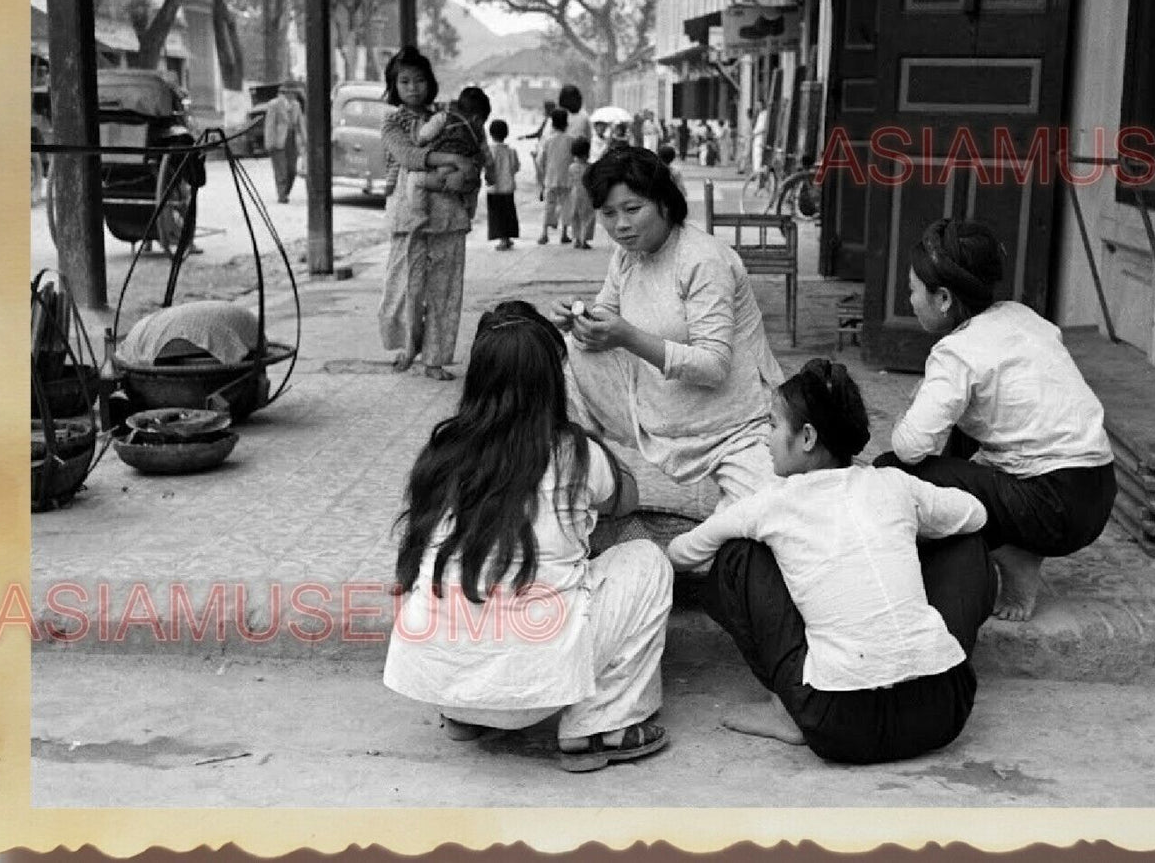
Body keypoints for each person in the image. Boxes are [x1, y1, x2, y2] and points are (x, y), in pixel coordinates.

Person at [384, 301, 672, 774]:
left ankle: (465, 717)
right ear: (552, 383)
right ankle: (600, 727)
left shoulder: (440, 452)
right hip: (536, 690)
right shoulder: (574, 454)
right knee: (646, 561)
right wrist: (580, 423)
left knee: (450, 569)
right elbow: (626, 500)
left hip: (440, 683)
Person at [667, 359, 995, 764]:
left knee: (738, 556)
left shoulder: (771, 504)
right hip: (945, 710)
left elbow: (682, 553)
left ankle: (784, 708)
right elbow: (976, 512)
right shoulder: (893, 484)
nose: (765, 439)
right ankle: (932, 652)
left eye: (771, 425)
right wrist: (900, 534)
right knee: (965, 541)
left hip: (840, 725)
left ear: (806, 437)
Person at [873, 219, 1117, 621]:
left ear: (945, 299)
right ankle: (1001, 543)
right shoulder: (1021, 316)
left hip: (1053, 507)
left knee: (890, 474)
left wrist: (907, 412)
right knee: (957, 431)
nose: (910, 300)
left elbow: (910, 447)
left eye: (914, 290)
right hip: (1097, 492)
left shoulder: (957, 353)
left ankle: (1009, 556)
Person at [548, 146, 784, 507]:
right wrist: (580, 322)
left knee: (763, 516)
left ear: (664, 203)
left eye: (632, 209)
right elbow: (605, 316)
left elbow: (714, 366)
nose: (620, 225)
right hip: (661, 406)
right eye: (608, 213)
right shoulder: (626, 255)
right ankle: (584, 478)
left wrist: (628, 336)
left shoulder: (703, 260)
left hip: (735, 421)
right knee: (555, 358)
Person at [376, 46, 481, 381]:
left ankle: (434, 359)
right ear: (394, 85)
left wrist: (464, 171)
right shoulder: (392, 122)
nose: (412, 88)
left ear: (430, 83)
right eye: (404, 81)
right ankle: (407, 347)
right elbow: (407, 157)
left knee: (444, 293)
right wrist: (452, 161)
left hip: (449, 217)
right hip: (408, 219)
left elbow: (474, 159)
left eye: (419, 80)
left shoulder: (450, 118)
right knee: (402, 290)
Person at [407, 85, 490, 237]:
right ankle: (469, 213)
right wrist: (489, 173)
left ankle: (419, 214)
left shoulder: (443, 117)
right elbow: (486, 156)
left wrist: (419, 140)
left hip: (440, 174)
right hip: (464, 179)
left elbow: (424, 136)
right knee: (476, 185)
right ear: (477, 118)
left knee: (415, 179)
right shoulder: (479, 133)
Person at [536, 107, 573, 245]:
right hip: (566, 179)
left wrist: (543, 175)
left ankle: (544, 234)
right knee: (565, 206)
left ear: (552, 124)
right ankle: (564, 234)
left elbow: (540, 160)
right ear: (566, 123)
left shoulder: (547, 140)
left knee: (549, 206)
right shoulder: (571, 140)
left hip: (550, 179)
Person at [263, 84, 305, 204]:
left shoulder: (296, 105)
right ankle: (282, 195)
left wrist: (305, 141)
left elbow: (300, 123)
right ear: (285, 93)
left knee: (292, 170)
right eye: (292, 93)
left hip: (292, 140)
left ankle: (285, 191)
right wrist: (269, 143)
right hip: (278, 141)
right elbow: (269, 125)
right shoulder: (274, 104)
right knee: (281, 170)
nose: (295, 95)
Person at [484, 119, 521, 251]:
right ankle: (508, 237)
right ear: (506, 133)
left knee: (497, 216)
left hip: (494, 189)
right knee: (509, 213)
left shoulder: (489, 151)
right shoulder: (511, 151)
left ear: (490, 134)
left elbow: (486, 167)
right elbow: (516, 167)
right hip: (508, 187)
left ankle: (502, 240)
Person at [565, 137, 595, 250]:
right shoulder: (590, 167)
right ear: (587, 153)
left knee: (575, 217)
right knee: (587, 217)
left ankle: (576, 239)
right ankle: (584, 239)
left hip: (574, 194)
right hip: (587, 195)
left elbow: (569, 181)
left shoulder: (571, 167)